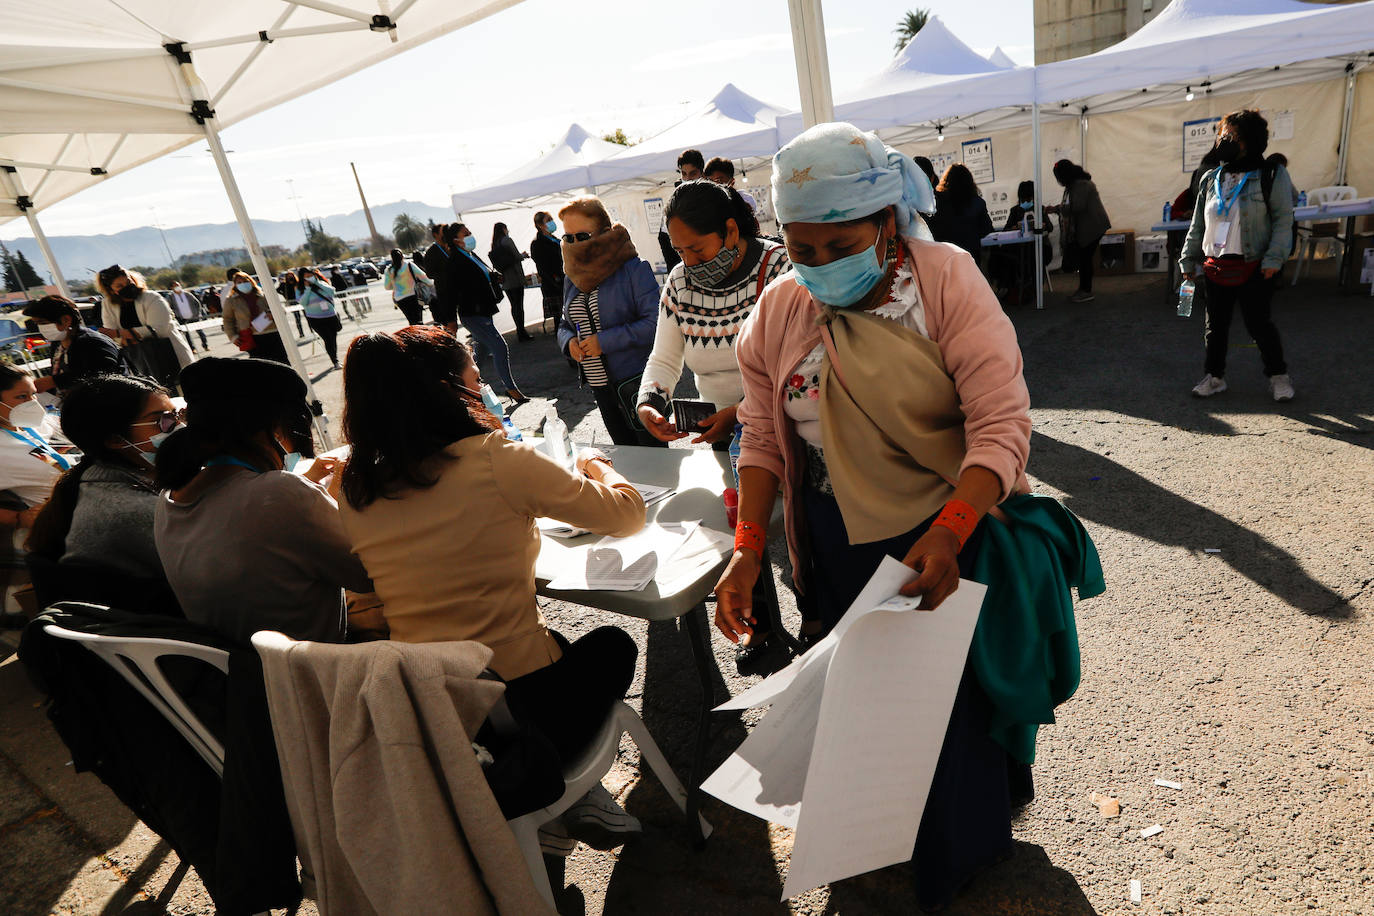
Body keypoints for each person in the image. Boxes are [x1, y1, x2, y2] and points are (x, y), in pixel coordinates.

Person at [715, 122, 1101, 911]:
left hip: (937, 529)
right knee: (863, 705)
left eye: (839, 243)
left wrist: (951, 532)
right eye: (801, 248)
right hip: (830, 537)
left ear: (886, 222)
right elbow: (760, 435)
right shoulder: (781, 309)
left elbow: (1001, 425)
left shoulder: (944, 281)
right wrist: (749, 549)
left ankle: (956, 855)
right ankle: (871, 835)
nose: (819, 265)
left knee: (945, 709)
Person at [337, 326, 645, 851]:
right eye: (474, 377)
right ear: (446, 389)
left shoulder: (351, 483)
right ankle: (571, 793)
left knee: (567, 650)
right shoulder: (498, 459)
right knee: (613, 645)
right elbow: (627, 516)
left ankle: (553, 803)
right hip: (520, 702)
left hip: (430, 711)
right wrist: (598, 467)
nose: (483, 388)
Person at [636, 178, 792, 669]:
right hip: (721, 431)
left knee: (801, 530)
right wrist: (650, 404)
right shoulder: (679, 284)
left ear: (729, 230)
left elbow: (797, 365)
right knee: (743, 529)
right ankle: (761, 629)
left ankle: (816, 623)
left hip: (785, 423)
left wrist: (740, 414)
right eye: (679, 250)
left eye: (697, 248)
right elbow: (664, 358)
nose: (689, 262)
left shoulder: (779, 268)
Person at [154, 357, 370, 644]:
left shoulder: (167, 502)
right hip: (315, 672)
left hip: (242, 671)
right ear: (274, 429)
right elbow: (369, 575)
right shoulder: (278, 493)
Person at [1180, 109, 1296, 402]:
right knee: (1215, 327)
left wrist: (1274, 259)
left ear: (1249, 139)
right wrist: (1187, 259)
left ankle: (1278, 377)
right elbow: (1198, 224)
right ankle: (1215, 377)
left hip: (1254, 264)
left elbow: (1283, 221)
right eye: (1222, 135)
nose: (1223, 141)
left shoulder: (1271, 174)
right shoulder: (1210, 178)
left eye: (1231, 136)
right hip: (1215, 265)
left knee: (1259, 324)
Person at [26, 374, 175, 581]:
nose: (177, 427)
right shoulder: (131, 510)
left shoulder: (104, 481)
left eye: (176, 415)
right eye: (162, 421)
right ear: (115, 440)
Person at [556, 197, 661, 448]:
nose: (573, 244)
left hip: (636, 382)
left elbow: (656, 324)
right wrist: (568, 341)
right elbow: (564, 322)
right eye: (567, 238)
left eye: (581, 236)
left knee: (655, 458)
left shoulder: (634, 269)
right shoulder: (573, 275)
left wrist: (604, 342)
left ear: (604, 233)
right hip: (600, 387)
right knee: (626, 458)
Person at [0, 365, 68, 612]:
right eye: (21, 397)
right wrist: (18, 518)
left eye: (32, 394)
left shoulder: (26, 428)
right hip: (62, 538)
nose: (32, 403)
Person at [445, 223, 526, 403]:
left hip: (483, 310)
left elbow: (481, 274)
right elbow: (450, 292)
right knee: (499, 346)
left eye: (469, 232)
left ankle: (467, 389)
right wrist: (450, 319)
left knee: (481, 351)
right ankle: (510, 388)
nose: (470, 235)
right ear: (455, 240)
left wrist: (493, 277)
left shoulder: (470, 254)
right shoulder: (454, 261)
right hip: (472, 313)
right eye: (465, 233)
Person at [96, 265, 196, 370]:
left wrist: (119, 334)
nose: (127, 286)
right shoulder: (108, 304)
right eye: (119, 286)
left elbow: (159, 329)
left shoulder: (152, 297)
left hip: (172, 357)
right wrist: (128, 336)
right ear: (111, 290)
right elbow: (112, 336)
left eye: (129, 282)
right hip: (140, 363)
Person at [22, 296, 124, 397]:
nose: (41, 328)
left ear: (66, 320)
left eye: (43, 323)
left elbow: (105, 375)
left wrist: (54, 381)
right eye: (37, 324)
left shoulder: (93, 342)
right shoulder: (57, 344)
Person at [1046, 159, 1111, 303]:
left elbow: (1077, 206)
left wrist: (1058, 209)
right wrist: (1058, 208)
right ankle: (1083, 289)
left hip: (1092, 227)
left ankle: (1086, 291)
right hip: (1091, 226)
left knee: (1085, 259)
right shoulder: (1077, 183)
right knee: (1084, 259)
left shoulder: (1081, 185)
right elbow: (1073, 205)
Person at [988, 181, 1054, 306]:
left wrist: (1041, 226)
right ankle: (1007, 286)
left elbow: (1050, 227)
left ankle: (1031, 288)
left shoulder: (1039, 209)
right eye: (1023, 198)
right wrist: (1014, 227)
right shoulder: (1015, 211)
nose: (1025, 201)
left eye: (1028, 198)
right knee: (1002, 256)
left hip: (1037, 249)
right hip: (1018, 249)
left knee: (1032, 259)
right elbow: (1005, 230)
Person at [927, 163, 995, 263]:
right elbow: (987, 230)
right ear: (969, 182)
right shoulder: (977, 203)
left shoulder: (938, 203)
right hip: (971, 257)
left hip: (945, 258)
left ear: (946, 181)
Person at [221, 271, 290, 365]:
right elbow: (227, 320)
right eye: (239, 282)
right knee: (262, 365)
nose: (243, 284)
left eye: (245, 281)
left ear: (251, 281)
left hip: (273, 334)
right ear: (235, 285)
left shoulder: (263, 295)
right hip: (251, 337)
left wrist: (273, 314)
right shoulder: (231, 300)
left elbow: (281, 310)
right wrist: (232, 336)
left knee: (282, 362)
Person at [489, 223, 533, 342]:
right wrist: (523, 255)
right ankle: (521, 332)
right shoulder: (507, 240)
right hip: (515, 277)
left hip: (505, 280)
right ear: (503, 229)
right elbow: (516, 256)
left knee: (514, 306)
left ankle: (520, 331)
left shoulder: (495, 244)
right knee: (519, 306)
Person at [293, 268, 343, 370]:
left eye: (310, 275)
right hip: (315, 318)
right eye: (306, 276)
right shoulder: (299, 288)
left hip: (330, 315)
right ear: (302, 278)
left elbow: (332, 292)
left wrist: (317, 283)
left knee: (333, 338)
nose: (309, 278)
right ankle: (335, 361)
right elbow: (303, 302)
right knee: (327, 338)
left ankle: (335, 357)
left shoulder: (321, 283)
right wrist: (308, 289)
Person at [423, 223, 462, 337]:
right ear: (435, 235)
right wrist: (447, 273)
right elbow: (430, 274)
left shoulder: (452, 246)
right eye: (442, 232)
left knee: (470, 318)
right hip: (445, 292)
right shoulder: (431, 252)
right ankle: (452, 345)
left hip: (460, 289)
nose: (445, 234)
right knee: (452, 324)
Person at [530, 211, 565, 333]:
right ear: (540, 225)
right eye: (548, 220)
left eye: (551, 219)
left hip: (564, 279)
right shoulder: (537, 243)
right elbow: (543, 268)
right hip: (554, 283)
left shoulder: (555, 239)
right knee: (559, 317)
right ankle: (563, 339)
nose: (552, 222)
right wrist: (556, 279)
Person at [381, 248, 430, 326]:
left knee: (411, 321)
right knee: (419, 320)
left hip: (400, 299)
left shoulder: (389, 270)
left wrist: (396, 287)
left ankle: (414, 335)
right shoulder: (409, 265)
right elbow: (423, 277)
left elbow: (387, 287)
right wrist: (432, 284)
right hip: (414, 296)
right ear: (402, 256)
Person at [167, 281, 211, 353]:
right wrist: (176, 315)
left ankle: (205, 345)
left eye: (178, 285)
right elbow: (169, 307)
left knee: (200, 332)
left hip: (194, 317)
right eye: (175, 286)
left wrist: (197, 313)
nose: (178, 287)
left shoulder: (187, 294)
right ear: (172, 288)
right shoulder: (171, 297)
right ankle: (192, 348)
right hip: (182, 319)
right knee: (187, 335)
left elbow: (197, 303)